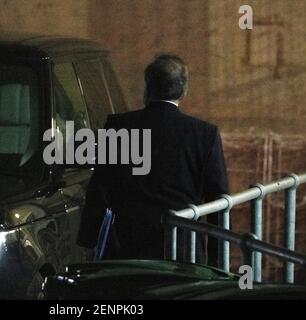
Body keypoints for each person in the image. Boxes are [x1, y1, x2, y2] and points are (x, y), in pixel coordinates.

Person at [77, 54, 228, 265]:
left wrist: (89, 241)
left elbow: (99, 188)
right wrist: (217, 261)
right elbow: (218, 201)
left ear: (147, 87)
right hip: (182, 248)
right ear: (184, 90)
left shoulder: (118, 127)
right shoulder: (205, 135)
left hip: (126, 246)